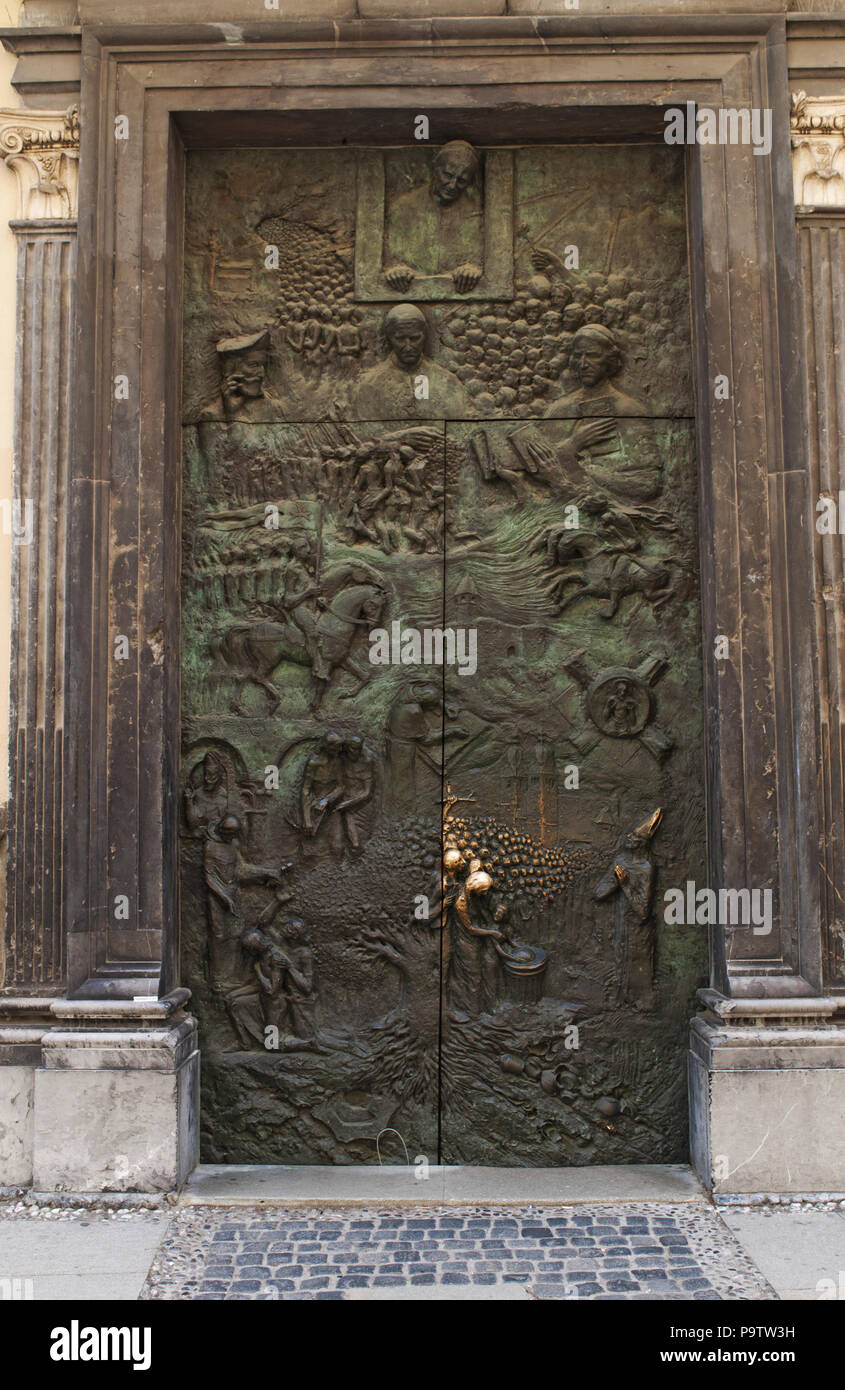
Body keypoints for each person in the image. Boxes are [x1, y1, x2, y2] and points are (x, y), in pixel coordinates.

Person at [384, 141, 483, 294]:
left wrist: (471, 270)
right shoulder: (403, 207)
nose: (452, 185)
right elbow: (391, 258)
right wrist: (396, 270)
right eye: (448, 175)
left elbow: (476, 259)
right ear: (435, 169)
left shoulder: (474, 215)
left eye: (461, 180)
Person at [350, 304, 468, 421]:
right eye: (400, 339)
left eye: (415, 338)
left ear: (425, 336)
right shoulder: (370, 385)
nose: (408, 347)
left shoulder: (448, 383)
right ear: (389, 338)